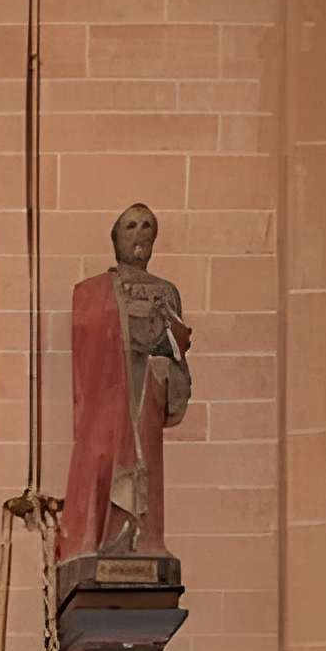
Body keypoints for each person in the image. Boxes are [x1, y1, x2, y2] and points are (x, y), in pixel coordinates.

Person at [57, 203, 193, 567]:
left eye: (147, 225)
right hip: (110, 396)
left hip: (148, 388)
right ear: (115, 237)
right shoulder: (93, 290)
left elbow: (178, 349)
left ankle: (144, 540)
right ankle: (106, 538)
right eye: (130, 226)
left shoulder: (167, 291)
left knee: (146, 465)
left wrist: (165, 348)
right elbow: (88, 343)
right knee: (104, 460)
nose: (140, 233)